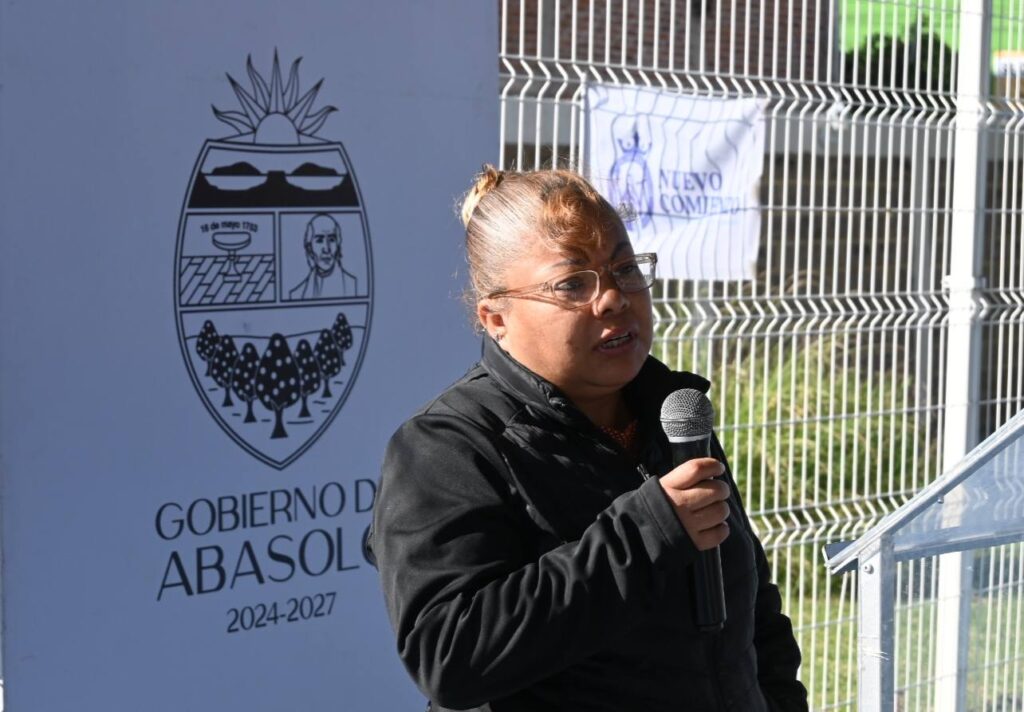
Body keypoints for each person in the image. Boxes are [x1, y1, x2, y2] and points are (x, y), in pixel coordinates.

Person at [367, 166, 807, 712]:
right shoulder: (447, 447)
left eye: (625, 269)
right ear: (495, 317)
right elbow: (450, 655)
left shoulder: (673, 415)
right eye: (573, 283)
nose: (614, 299)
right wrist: (646, 533)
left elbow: (753, 612)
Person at [289, 213, 358, 299]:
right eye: (319, 240)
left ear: (338, 245)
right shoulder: (297, 295)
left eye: (332, 240)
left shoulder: (353, 286)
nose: (327, 248)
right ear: (309, 248)